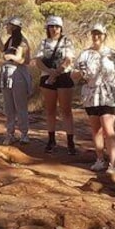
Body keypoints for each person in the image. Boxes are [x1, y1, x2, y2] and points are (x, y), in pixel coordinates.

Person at [74, 24, 115, 179]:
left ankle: (113, 163)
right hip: (91, 96)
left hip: (109, 95)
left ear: (104, 35)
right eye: (94, 34)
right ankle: (100, 159)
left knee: (108, 128)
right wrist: (77, 74)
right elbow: (75, 74)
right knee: (96, 129)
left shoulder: (112, 54)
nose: (96, 37)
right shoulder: (85, 54)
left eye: (100, 34)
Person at [33, 15, 76, 155]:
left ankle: (70, 142)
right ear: (47, 28)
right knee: (50, 110)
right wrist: (49, 72)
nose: (54, 29)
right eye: (51, 26)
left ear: (61, 28)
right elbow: (38, 61)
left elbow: (68, 60)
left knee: (66, 110)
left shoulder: (67, 42)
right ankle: (51, 140)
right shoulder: (43, 43)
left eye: (56, 26)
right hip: (47, 77)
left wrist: (56, 73)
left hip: (63, 77)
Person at [0, 17, 31, 145]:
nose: (7, 27)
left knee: (20, 105)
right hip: (6, 72)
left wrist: (11, 57)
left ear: (14, 27)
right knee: (8, 106)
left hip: (17, 73)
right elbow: (2, 49)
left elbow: (25, 60)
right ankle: (10, 133)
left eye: (8, 25)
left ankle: (24, 133)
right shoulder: (10, 40)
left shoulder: (22, 42)